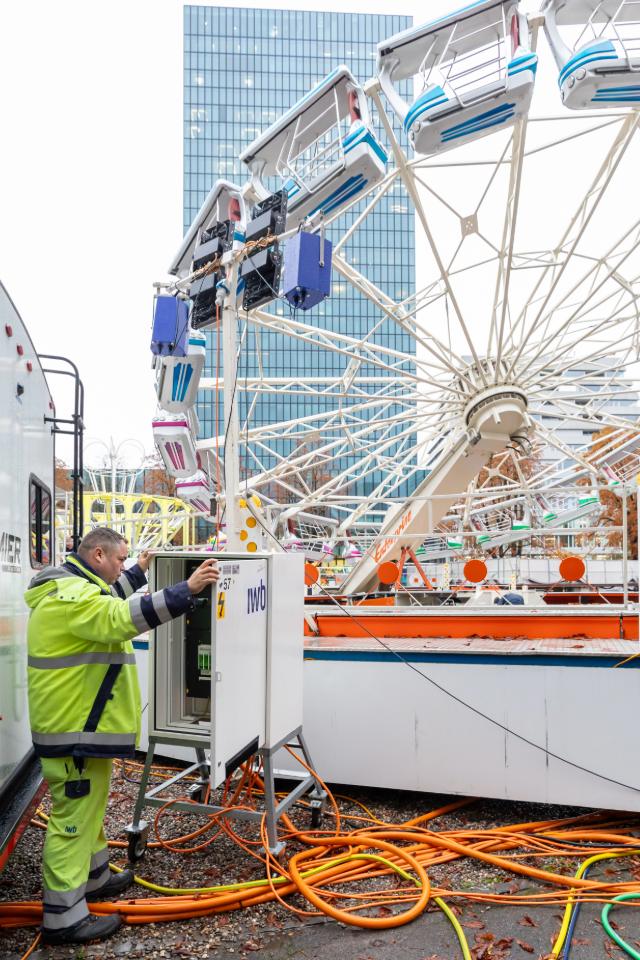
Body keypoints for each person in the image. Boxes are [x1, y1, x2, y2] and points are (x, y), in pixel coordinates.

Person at [25, 527, 219, 946]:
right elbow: (114, 617)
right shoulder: (70, 598)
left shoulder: (77, 588)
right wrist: (184, 591)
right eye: (118, 560)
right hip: (73, 733)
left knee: (91, 810)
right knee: (72, 824)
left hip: (80, 729)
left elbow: (108, 597)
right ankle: (63, 920)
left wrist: (138, 572)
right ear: (97, 554)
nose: (121, 568)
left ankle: (94, 879)